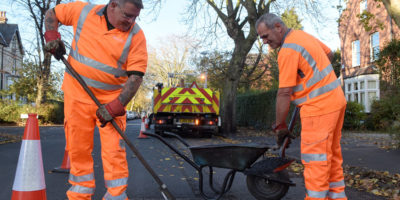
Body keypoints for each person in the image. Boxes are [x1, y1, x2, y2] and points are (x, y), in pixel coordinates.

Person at [44, 0, 147, 199]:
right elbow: (53, 13)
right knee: (78, 149)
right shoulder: (83, 11)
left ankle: (116, 196)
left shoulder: (136, 35)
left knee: (114, 153)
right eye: (128, 15)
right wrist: (51, 36)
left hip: (111, 101)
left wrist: (116, 106)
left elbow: (136, 77)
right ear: (113, 5)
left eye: (135, 16)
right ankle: (80, 195)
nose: (131, 20)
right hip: (77, 95)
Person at [256, 13, 347, 200]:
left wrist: (280, 126)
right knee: (332, 158)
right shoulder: (302, 36)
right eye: (261, 38)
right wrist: (309, 78)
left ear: (278, 27)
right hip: (336, 101)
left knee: (316, 162)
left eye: (266, 36)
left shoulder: (288, 50)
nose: (264, 41)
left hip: (318, 109)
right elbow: (328, 53)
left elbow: (283, 93)